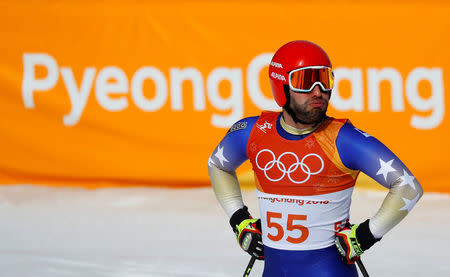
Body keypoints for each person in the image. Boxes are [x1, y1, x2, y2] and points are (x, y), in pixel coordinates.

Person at [207, 40, 423, 276]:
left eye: (325, 80)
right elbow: (218, 165)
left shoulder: (344, 140)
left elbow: (408, 186)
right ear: (282, 86)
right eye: (305, 82)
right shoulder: (253, 132)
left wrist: (365, 235)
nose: (318, 91)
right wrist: (239, 220)